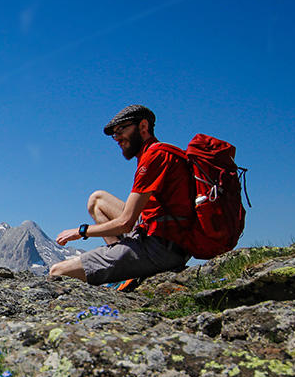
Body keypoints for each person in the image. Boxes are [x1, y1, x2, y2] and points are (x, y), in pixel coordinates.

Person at [49, 104, 192, 288]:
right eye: (114, 134)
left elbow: (126, 223)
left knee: (57, 272)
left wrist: (81, 231)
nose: (117, 138)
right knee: (97, 200)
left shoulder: (154, 157)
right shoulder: (160, 152)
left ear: (143, 127)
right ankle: (123, 270)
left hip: (161, 248)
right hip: (167, 239)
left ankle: (125, 270)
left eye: (121, 130)